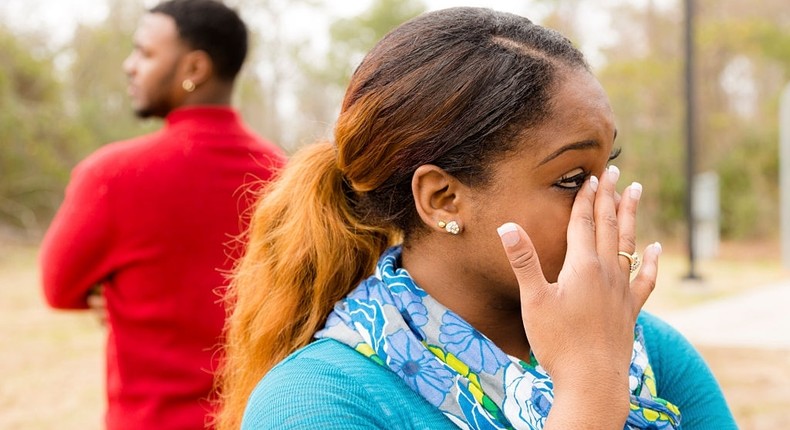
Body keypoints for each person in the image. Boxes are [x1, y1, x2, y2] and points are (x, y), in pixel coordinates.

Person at [218, 7, 737, 430]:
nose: (606, 205)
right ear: (443, 198)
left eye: (608, 170)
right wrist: (590, 394)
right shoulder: (318, 401)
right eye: (572, 179)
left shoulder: (650, 352)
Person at [39, 0, 285, 429]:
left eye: (146, 53)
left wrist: (120, 293)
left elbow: (59, 288)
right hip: (255, 417)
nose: (129, 66)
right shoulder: (283, 175)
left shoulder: (112, 175)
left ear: (194, 68)